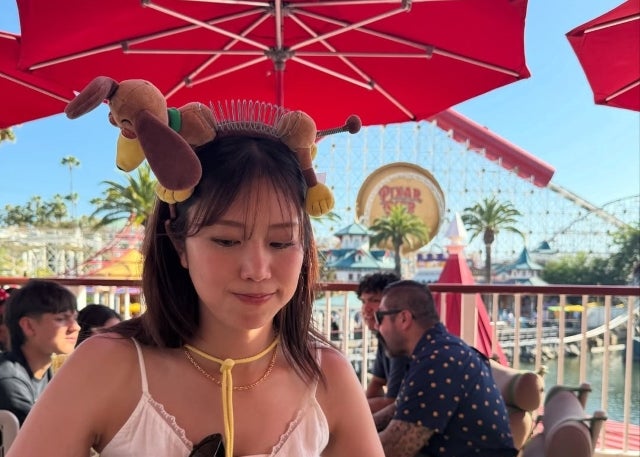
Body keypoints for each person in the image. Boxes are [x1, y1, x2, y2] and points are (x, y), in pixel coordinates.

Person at [7, 93, 383, 457]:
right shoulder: (105, 366)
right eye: (226, 240)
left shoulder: (328, 376)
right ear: (179, 244)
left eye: (282, 242)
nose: (257, 270)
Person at [375, 280, 517, 457]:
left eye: (379, 317)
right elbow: (398, 410)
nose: (376, 326)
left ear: (404, 319)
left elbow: (394, 449)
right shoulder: (439, 350)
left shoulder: (438, 361)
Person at [0, 279, 79, 425]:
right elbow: (40, 434)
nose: (75, 327)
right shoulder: (9, 380)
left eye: (75, 318)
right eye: (61, 319)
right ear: (28, 326)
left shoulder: (44, 369)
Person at [356, 272, 410, 413]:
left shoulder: (402, 340)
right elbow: (377, 383)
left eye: (374, 300)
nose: (366, 308)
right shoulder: (384, 336)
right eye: (363, 301)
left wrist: (349, 412)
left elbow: (394, 403)